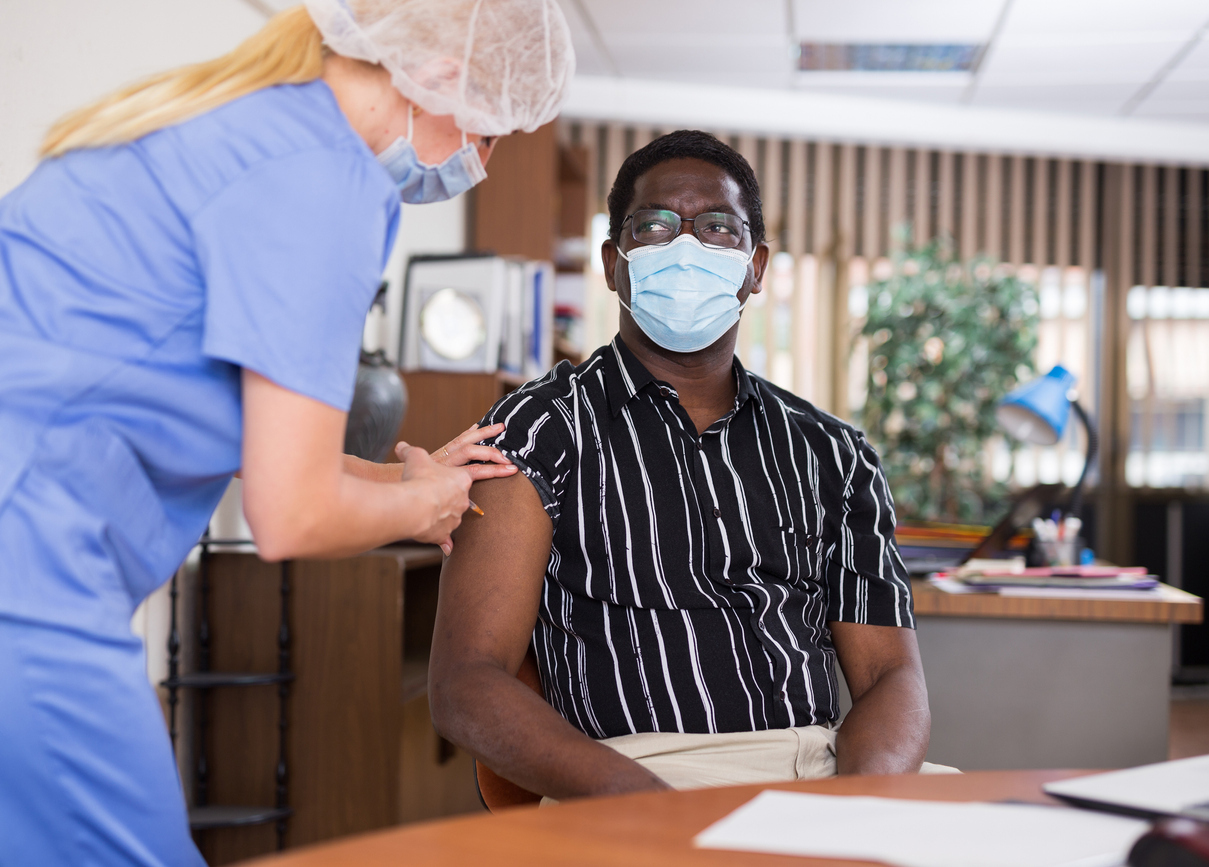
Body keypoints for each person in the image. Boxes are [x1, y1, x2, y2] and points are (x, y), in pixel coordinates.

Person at [0, 1, 572, 864]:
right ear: (441, 74)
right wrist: (421, 510)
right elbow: (293, 511)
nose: (480, 164)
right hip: (26, 574)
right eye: (490, 134)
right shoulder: (322, 183)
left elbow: (237, 434)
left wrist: (398, 481)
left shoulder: (234, 122)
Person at [430, 130, 948, 803]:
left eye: (716, 228)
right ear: (613, 263)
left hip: (819, 773)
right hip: (630, 781)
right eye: (652, 226)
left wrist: (853, 809)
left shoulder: (834, 455)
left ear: (755, 267)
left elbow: (889, 676)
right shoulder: (534, 432)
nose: (684, 248)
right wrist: (653, 813)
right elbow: (466, 682)